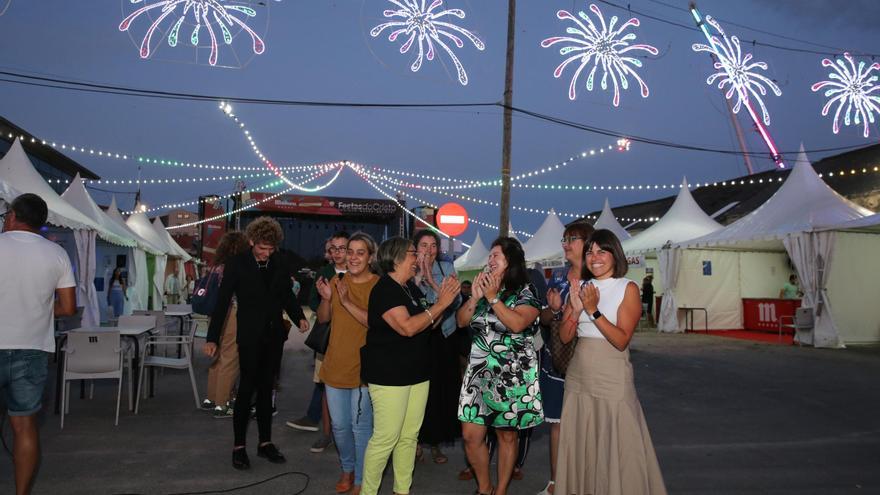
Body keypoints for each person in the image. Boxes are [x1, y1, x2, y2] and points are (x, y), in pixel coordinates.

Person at [556, 229, 666, 495]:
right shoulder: (581, 288)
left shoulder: (627, 288)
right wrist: (575, 310)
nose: (594, 257)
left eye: (601, 251)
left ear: (614, 254)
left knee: (617, 440)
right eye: (590, 252)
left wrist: (593, 310)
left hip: (612, 374)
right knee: (582, 440)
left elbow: (621, 340)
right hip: (579, 374)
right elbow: (565, 335)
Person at [204, 216, 309, 470]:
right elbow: (222, 303)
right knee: (246, 390)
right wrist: (212, 338)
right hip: (249, 336)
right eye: (262, 248)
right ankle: (239, 447)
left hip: (274, 337)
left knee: (266, 391)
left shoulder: (279, 262)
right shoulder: (237, 264)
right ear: (251, 241)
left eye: (270, 249)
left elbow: (285, 295)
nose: (266, 253)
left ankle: (265, 443)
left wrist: (299, 317)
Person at [360, 237, 460, 495]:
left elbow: (429, 323)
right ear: (396, 258)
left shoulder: (409, 289)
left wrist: (442, 300)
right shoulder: (385, 289)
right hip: (389, 376)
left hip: (417, 373)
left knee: (408, 438)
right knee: (386, 439)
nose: (418, 258)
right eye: (413, 253)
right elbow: (407, 327)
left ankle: (401, 490)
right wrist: (440, 305)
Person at [0, 193, 77, 495]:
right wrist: (41, 308)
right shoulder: (56, 254)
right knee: (24, 426)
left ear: (13, 216)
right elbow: (69, 307)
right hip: (32, 348)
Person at [456, 237, 543, 495]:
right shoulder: (483, 289)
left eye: (496, 255)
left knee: (506, 436)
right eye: (490, 255)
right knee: (471, 437)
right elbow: (461, 322)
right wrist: (475, 298)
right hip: (479, 371)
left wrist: (494, 299)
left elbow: (517, 324)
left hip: (511, 374)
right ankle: (485, 487)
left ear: (511, 261)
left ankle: (501, 490)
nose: (490, 260)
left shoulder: (526, 291)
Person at [316, 232, 380, 495]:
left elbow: (373, 322)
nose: (353, 257)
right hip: (334, 365)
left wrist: (345, 300)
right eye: (350, 252)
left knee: (361, 427)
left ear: (370, 257)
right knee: (340, 427)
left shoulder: (378, 285)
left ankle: (361, 480)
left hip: (363, 369)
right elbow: (322, 319)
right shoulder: (336, 279)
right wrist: (326, 297)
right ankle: (347, 469)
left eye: (359, 252)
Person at [535, 222, 594, 495]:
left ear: (588, 242)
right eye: (564, 239)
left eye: (572, 239)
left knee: (586, 426)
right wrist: (555, 311)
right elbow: (544, 317)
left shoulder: (598, 279)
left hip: (587, 362)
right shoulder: (558, 276)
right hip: (556, 360)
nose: (565, 244)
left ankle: (584, 483)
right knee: (556, 426)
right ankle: (556, 483)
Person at [287, 232, 350, 455]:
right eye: (334, 248)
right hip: (328, 339)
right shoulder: (324, 273)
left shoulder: (360, 272)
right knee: (325, 387)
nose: (338, 253)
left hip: (354, 340)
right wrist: (330, 299)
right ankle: (326, 434)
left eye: (343, 248)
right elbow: (314, 302)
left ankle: (349, 435)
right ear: (330, 252)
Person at [412, 229, 462, 465]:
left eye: (433, 245)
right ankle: (416, 442)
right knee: (418, 391)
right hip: (418, 337)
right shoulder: (408, 269)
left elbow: (455, 300)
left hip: (443, 335)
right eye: (424, 245)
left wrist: (431, 280)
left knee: (440, 390)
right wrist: (417, 279)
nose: (429, 250)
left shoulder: (447, 269)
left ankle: (435, 443)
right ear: (415, 248)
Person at [201, 231, 250, 418]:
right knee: (231, 357)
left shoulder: (216, 267)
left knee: (217, 356)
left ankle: (212, 398)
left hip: (215, 316)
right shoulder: (235, 266)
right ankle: (222, 405)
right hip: (232, 314)